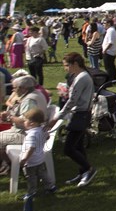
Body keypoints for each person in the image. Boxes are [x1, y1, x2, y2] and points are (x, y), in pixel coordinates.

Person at [48, 53, 96, 188]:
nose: (65, 68)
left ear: (75, 64)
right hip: (81, 114)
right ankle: (83, 172)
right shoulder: (81, 76)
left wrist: (57, 118)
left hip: (79, 115)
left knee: (68, 149)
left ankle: (89, 169)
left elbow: (72, 101)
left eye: (66, 65)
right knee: (79, 146)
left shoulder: (81, 77)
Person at [0, 75, 48, 174]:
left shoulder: (29, 100)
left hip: (26, 134)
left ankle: (11, 165)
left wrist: (9, 117)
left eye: (15, 87)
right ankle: (9, 164)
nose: (13, 90)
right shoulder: (36, 93)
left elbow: (25, 122)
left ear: (23, 88)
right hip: (35, 132)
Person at [19, 108, 57, 201]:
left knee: (31, 177)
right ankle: (51, 186)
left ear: (32, 123)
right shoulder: (42, 129)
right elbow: (47, 136)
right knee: (43, 173)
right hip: (40, 158)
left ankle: (31, 192)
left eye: (25, 120)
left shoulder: (31, 135)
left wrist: (24, 159)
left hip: (31, 162)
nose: (24, 122)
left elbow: (31, 148)